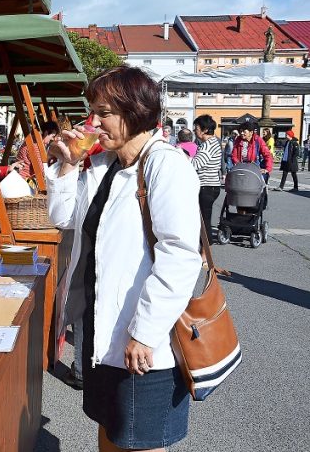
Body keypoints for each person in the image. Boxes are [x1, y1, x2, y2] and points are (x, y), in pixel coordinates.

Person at [47, 66, 200, 452]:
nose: (93, 122)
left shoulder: (166, 165)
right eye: (92, 112)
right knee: (111, 429)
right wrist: (68, 164)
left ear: (135, 112)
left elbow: (181, 256)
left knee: (141, 441)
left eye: (104, 113)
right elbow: (63, 218)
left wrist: (145, 331)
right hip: (103, 332)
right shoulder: (105, 167)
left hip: (143, 341)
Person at [192, 115, 223, 243]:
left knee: (204, 221)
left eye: (196, 128)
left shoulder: (208, 145)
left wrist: (184, 157)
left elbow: (196, 164)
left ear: (205, 130)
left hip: (207, 186)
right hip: (210, 186)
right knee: (204, 219)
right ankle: (204, 248)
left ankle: (205, 250)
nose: (194, 131)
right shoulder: (212, 142)